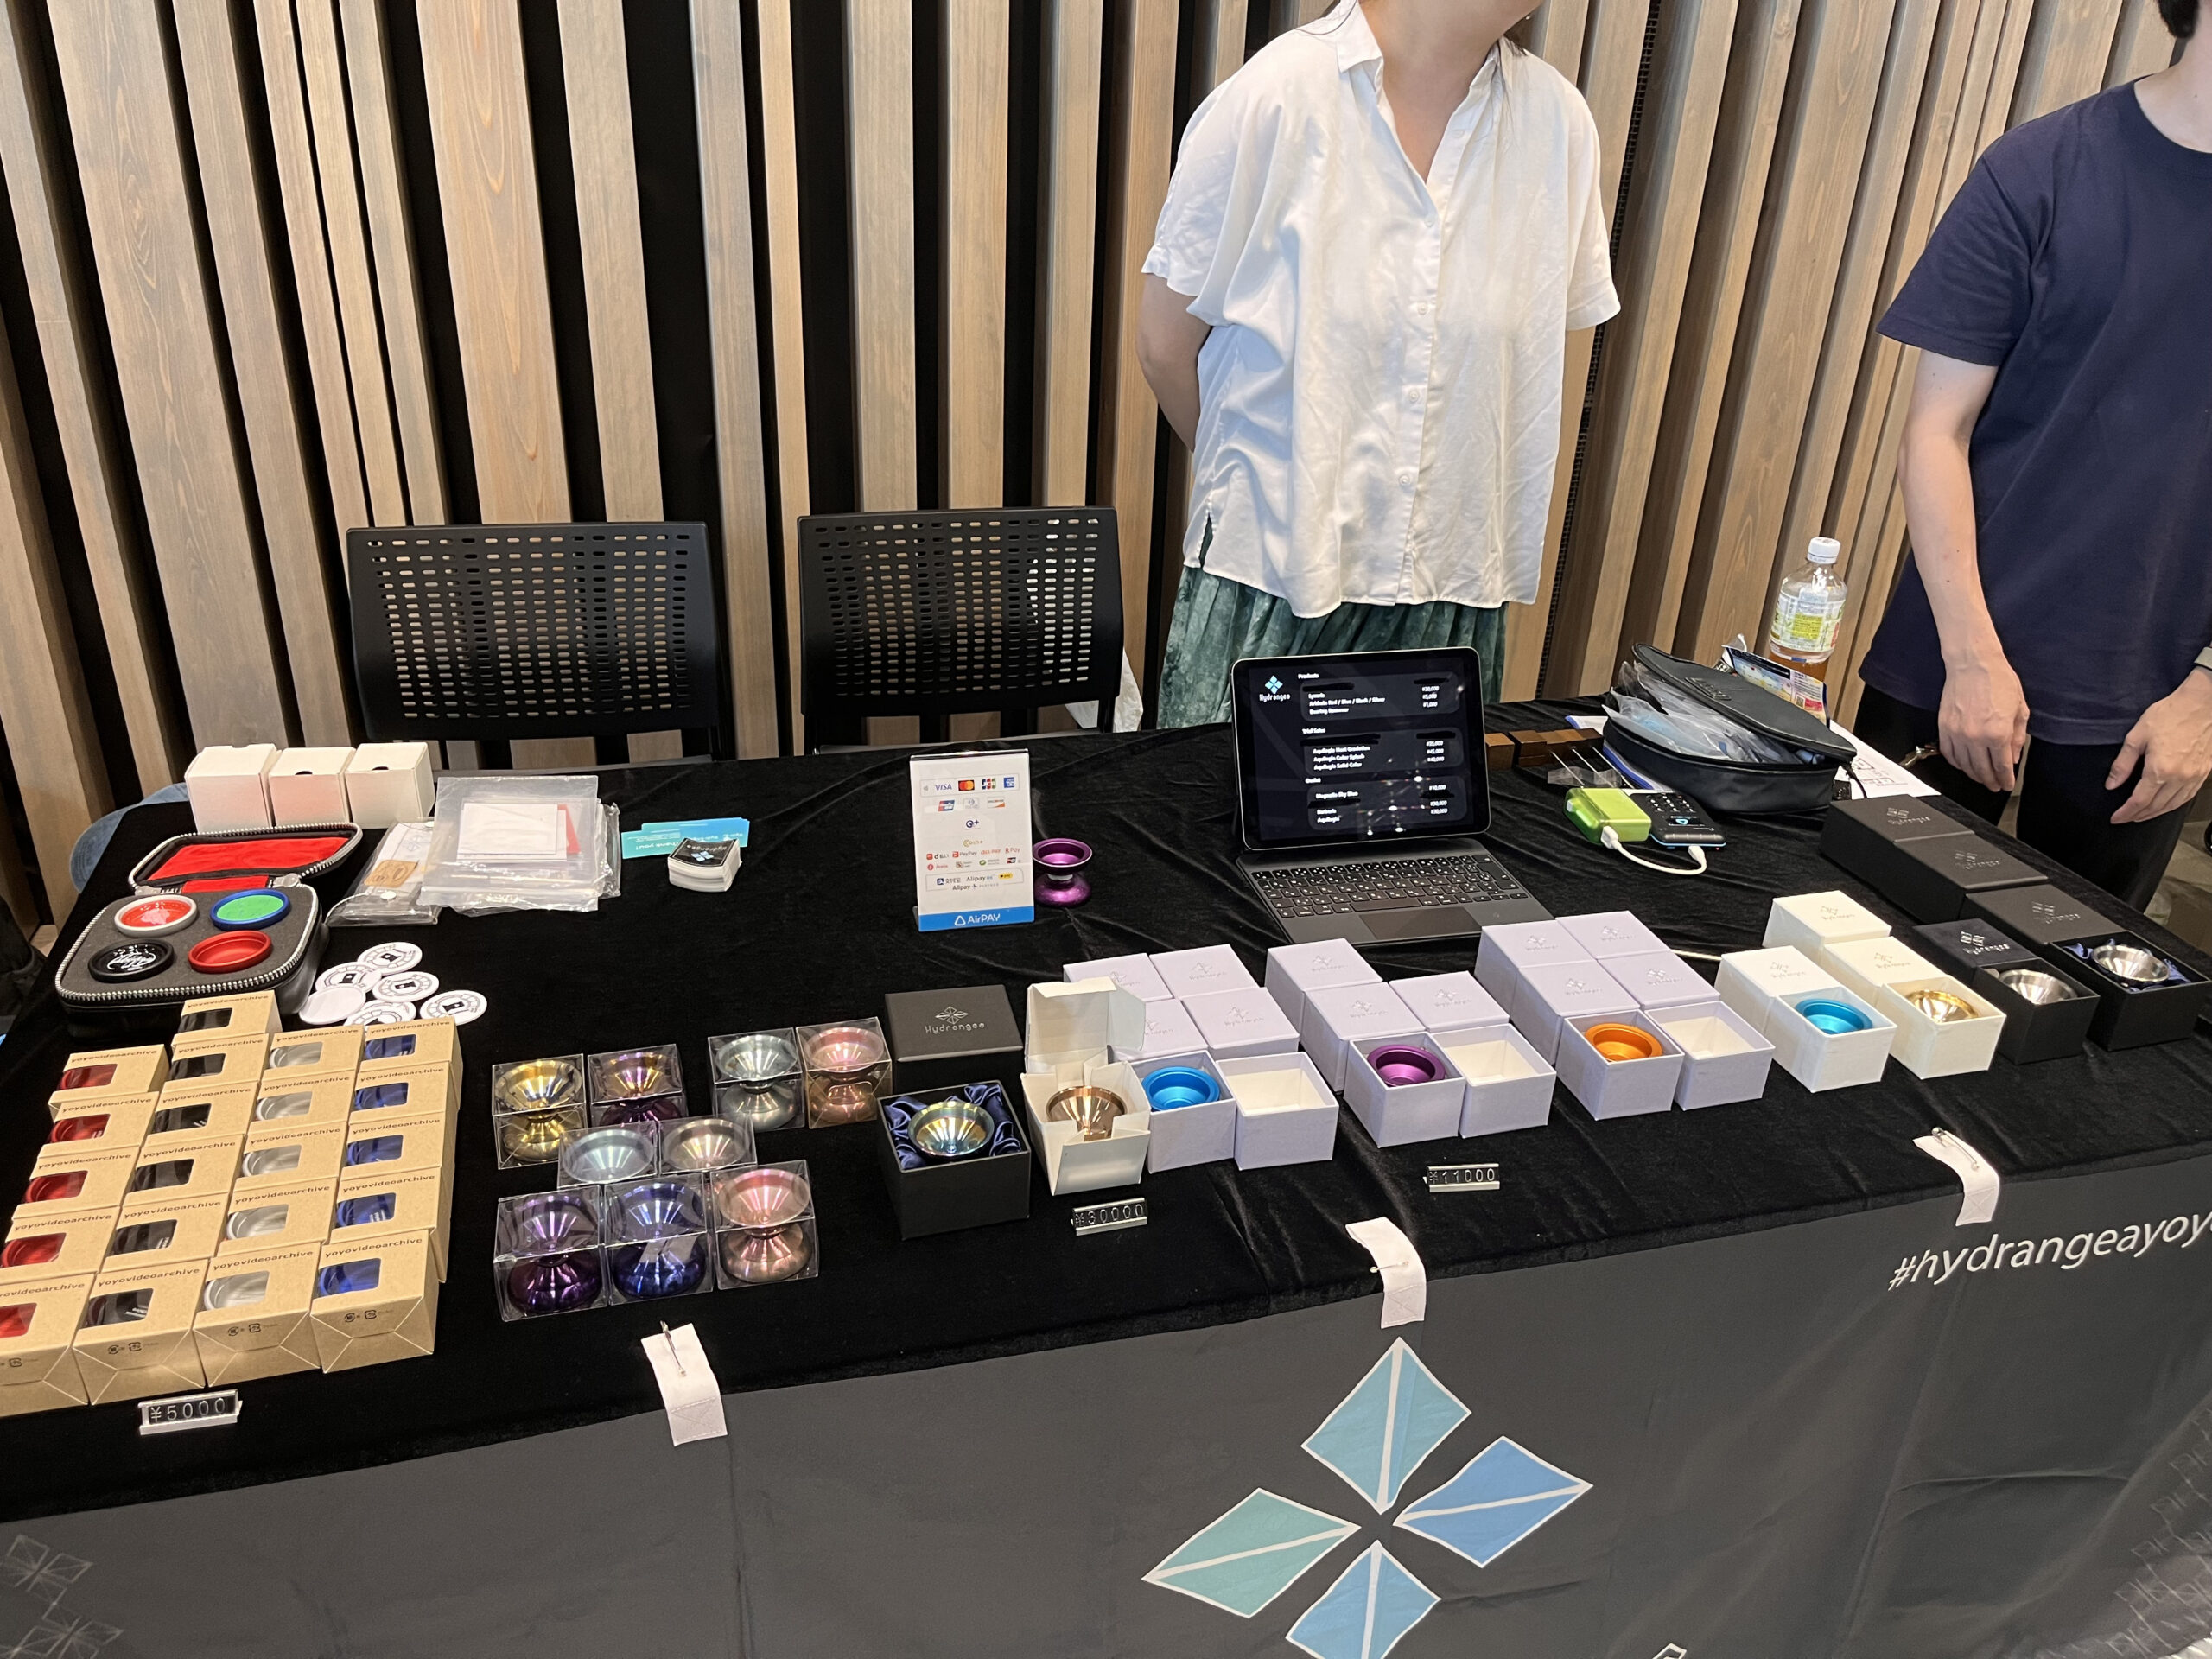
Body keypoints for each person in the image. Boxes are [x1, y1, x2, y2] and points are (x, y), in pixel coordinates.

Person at [1135, 0, 1618, 728]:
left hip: (1452, 590)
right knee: (1223, 801)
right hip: (1271, 582)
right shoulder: (1280, 95)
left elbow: (1524, 371)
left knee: (1430, 804)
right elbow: (1165, 346)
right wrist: (1282, 487)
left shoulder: (1557, 125)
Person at [1852, 0, 2212, 910]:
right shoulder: (2042, 166)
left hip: (2155, 695)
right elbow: (1935, 431)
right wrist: (1971, 656)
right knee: (1861, 940)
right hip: (1952, 655)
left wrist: (2209, 693)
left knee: (2080, 979)